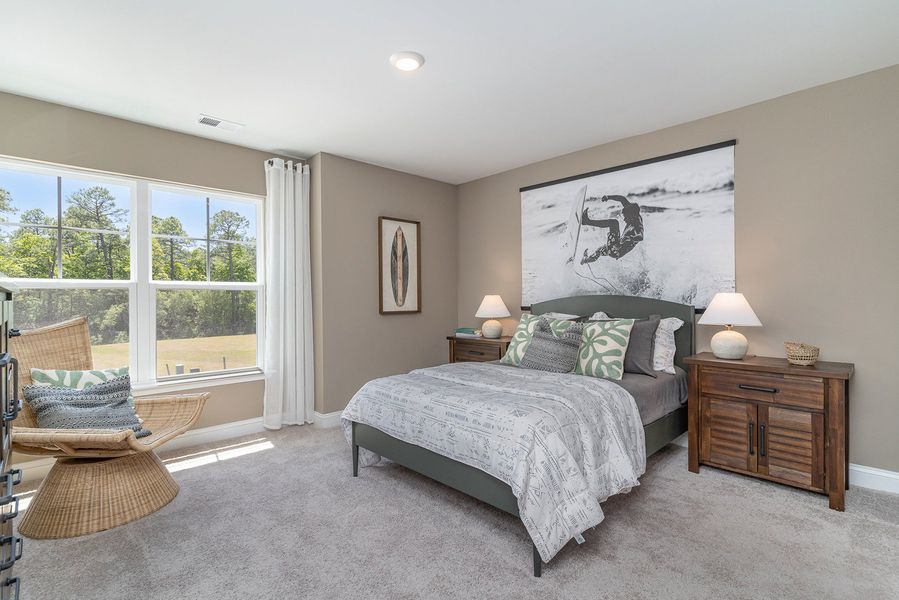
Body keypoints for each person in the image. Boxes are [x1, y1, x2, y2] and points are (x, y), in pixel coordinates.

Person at [580, 194, 644, 263]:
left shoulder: (637, 226)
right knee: (599, 251)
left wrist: (630, 238)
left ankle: (587, 222)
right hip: (615, 247)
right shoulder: (631, 210)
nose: (624, 219)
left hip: (616, 250)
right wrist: (608, 197)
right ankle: (586, 260)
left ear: (632, 216)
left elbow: (641, 236)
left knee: (614, 223)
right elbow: (622, 199)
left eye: (626, 217)